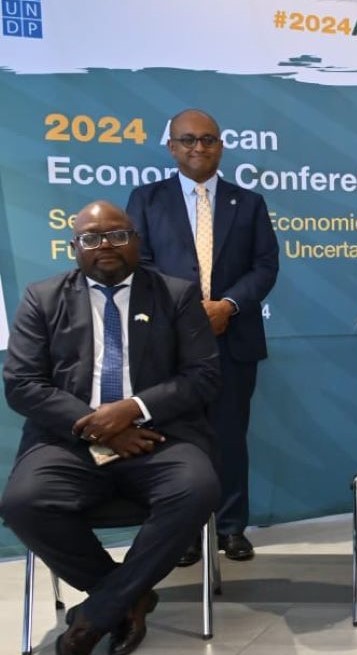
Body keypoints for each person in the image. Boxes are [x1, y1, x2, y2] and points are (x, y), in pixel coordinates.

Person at [1, 201, 221, 655]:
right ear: (74, 247)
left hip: (158, 436)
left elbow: (203, 376)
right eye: (91, 238)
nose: (105, 245)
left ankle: (96, 615)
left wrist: (132, 409)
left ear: (136, 241)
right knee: (23, 502)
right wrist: (100, 427)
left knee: (197, 489)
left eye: (117, 235)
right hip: (69, 440)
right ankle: (127, 598)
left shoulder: (175, 294)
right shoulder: (42, 297)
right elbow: (22, 385)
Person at [126, 108, 280, 564]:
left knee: (229, 436)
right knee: (175, 440)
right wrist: (189, 312)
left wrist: (227, 306)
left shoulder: (248, 203)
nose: (199, 147)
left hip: (234, 337)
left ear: (221, 146)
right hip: (170, 342)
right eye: (188, 140)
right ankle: (185, 531)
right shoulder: (147, 199)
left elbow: (265, 266)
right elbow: (140, 264)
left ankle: (231, 528)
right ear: (172, 147)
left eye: (208, 139)